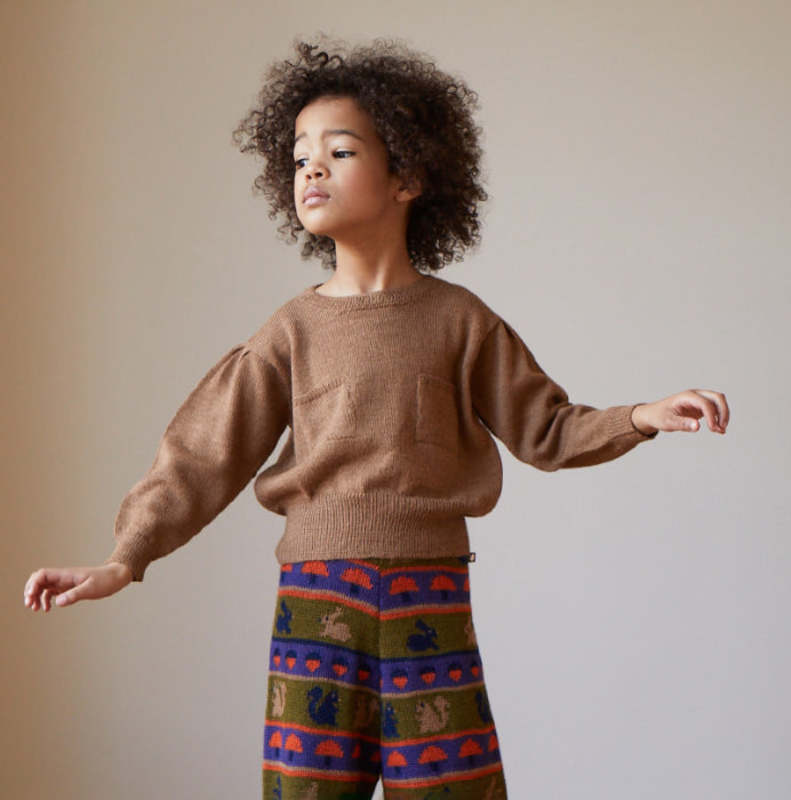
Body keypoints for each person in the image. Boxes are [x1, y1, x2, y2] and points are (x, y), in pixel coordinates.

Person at [23, 35, 729, 800]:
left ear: (409, 176)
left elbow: (546, 428)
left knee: (454, 789)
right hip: (315, 600)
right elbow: (204, 454)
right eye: (299, 157)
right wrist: (126, 557)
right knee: (306, 789)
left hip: (432, 595)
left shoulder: (460, 320)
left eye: (340, 151)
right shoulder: (290, 331)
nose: (311, 169)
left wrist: (641, 416)